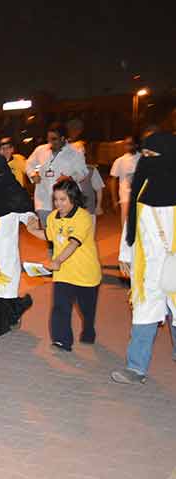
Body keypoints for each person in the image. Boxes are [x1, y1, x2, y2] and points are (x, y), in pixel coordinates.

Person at [111, 127, 176, 384]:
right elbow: (132, 222)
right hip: (147, 265)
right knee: (144, 311)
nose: (146, 161)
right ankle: (136, 368)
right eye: (144, 155)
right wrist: (124, 254)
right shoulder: (142, 186)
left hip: (174, 264)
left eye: (152, 155)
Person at [25, 180, 102, 352]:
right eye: (55, 199)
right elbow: (49, 235)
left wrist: (57, 260)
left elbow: (73, 243)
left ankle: (88, 328)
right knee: (60, 307)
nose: (58, 204)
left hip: (85, 273)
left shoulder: (83, 217)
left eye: (63, 199)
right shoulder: (53, 217)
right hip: (64, 274)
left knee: (87, 310)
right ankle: (61, 340)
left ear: (73, 198)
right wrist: (32, 230)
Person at [0, 149, 36, 337]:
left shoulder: (14, 193)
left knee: (5, 289)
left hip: (6, 252)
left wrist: (31, 221)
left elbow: (26, 212)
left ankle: (13, 314)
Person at [25, 123, 89, 228]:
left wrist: (70, 178)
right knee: (47, 232)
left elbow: (83, 171)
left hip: (66, 201)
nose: (50, 142)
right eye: (48, 139)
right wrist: (32, 175)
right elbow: (29, 164)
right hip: (43, 200)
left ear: (63, 138)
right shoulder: (40, 150)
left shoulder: (75, 152)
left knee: (64, 232)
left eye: (54, 139)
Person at [110, 136, 140, 225]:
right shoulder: (119, 161)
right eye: (126, 144)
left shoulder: (142, 158)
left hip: (140, 197)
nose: (128, 146)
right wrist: (114, 200)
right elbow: (113, 180)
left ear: (136, 145)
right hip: (125, 197)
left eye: (130, 144)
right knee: (126, 225)